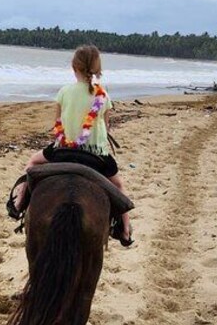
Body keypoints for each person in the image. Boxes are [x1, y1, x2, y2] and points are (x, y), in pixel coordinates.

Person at [11, 45, 133, 246]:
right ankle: (126, 230)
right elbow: (106, 125)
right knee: (118, 186)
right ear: (96, 68)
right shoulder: (103, 96)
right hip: (96, 154)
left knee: (33, 162)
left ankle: (19, 202)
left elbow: (57, 123)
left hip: (63, 149)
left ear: (74, 66)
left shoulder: (64, 92)